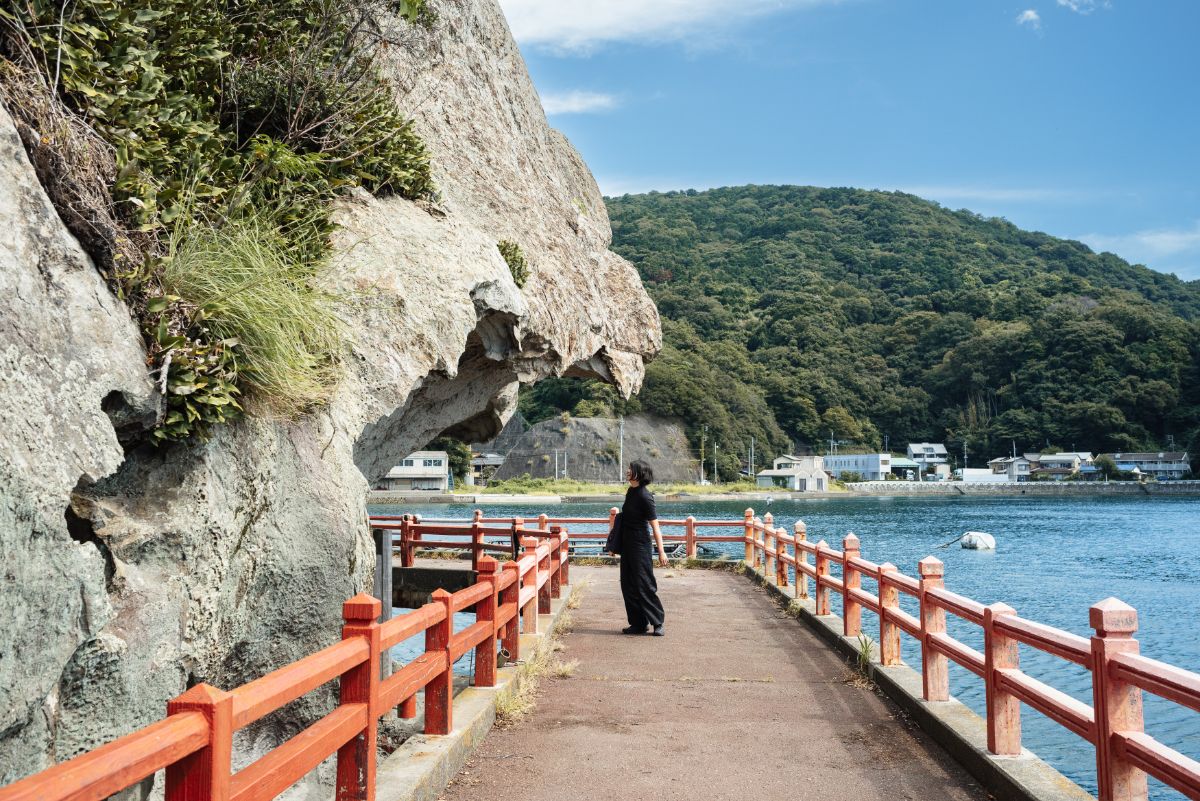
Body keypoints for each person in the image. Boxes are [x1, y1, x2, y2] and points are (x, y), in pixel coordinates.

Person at [618, 460, 668, 635]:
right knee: (627, 584)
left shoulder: (645, 496)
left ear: (639, 473)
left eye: (630, 469)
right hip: (627, 544)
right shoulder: (630, 492)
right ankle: (638, 623)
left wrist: (661, 551)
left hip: (640, 546)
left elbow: (655, 526)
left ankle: (658, 622)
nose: (627, 471)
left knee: (644, 584)